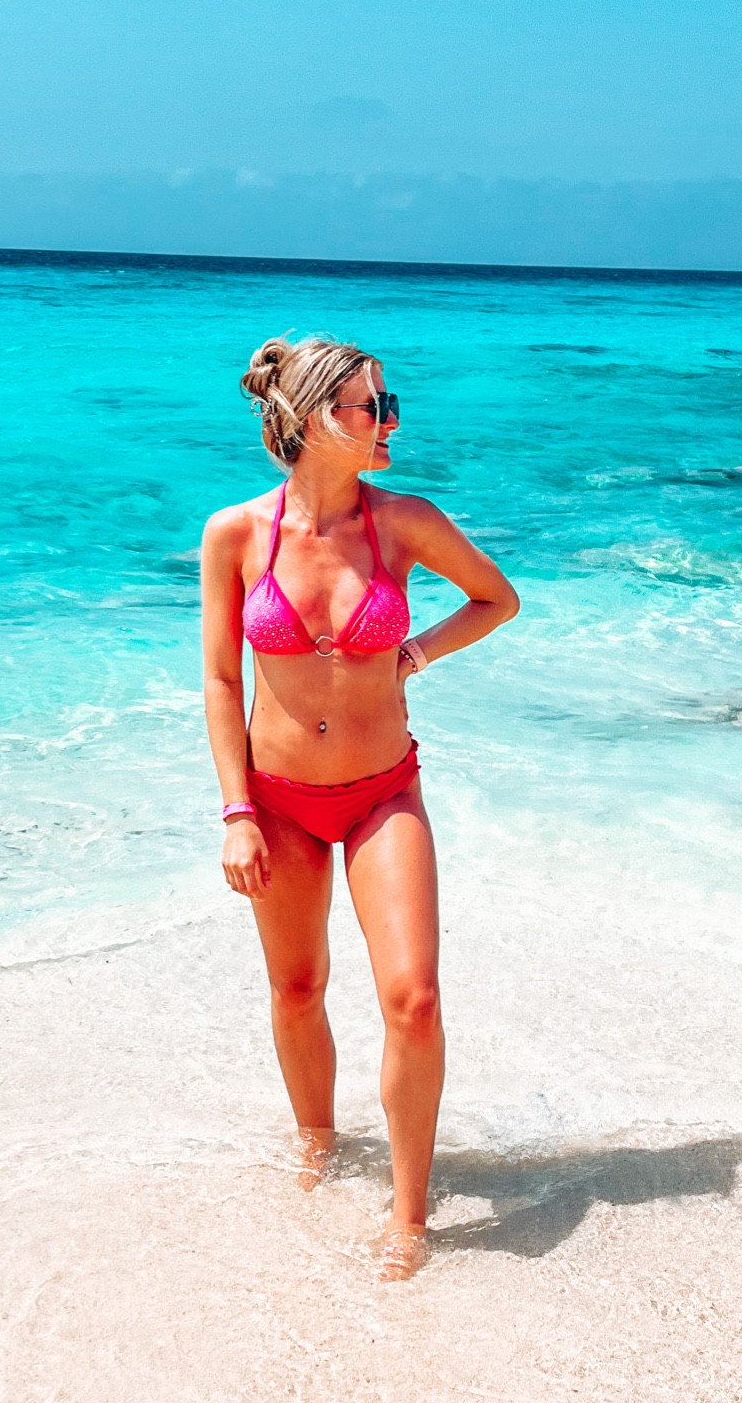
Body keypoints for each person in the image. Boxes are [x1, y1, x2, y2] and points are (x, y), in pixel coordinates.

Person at [200, 336, 519, 1280]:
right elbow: (221, 681)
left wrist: (413, 655)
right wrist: (236, 811)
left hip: (384, 791)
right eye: (370, 407)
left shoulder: (406, 522)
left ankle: (409, 1216)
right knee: (297, 988)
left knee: (414, 999)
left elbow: (496, 599)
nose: (390, 423)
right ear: (310, 419)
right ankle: (317, 1143)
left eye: (390, 403)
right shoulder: (235, 534)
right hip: (277, 801)